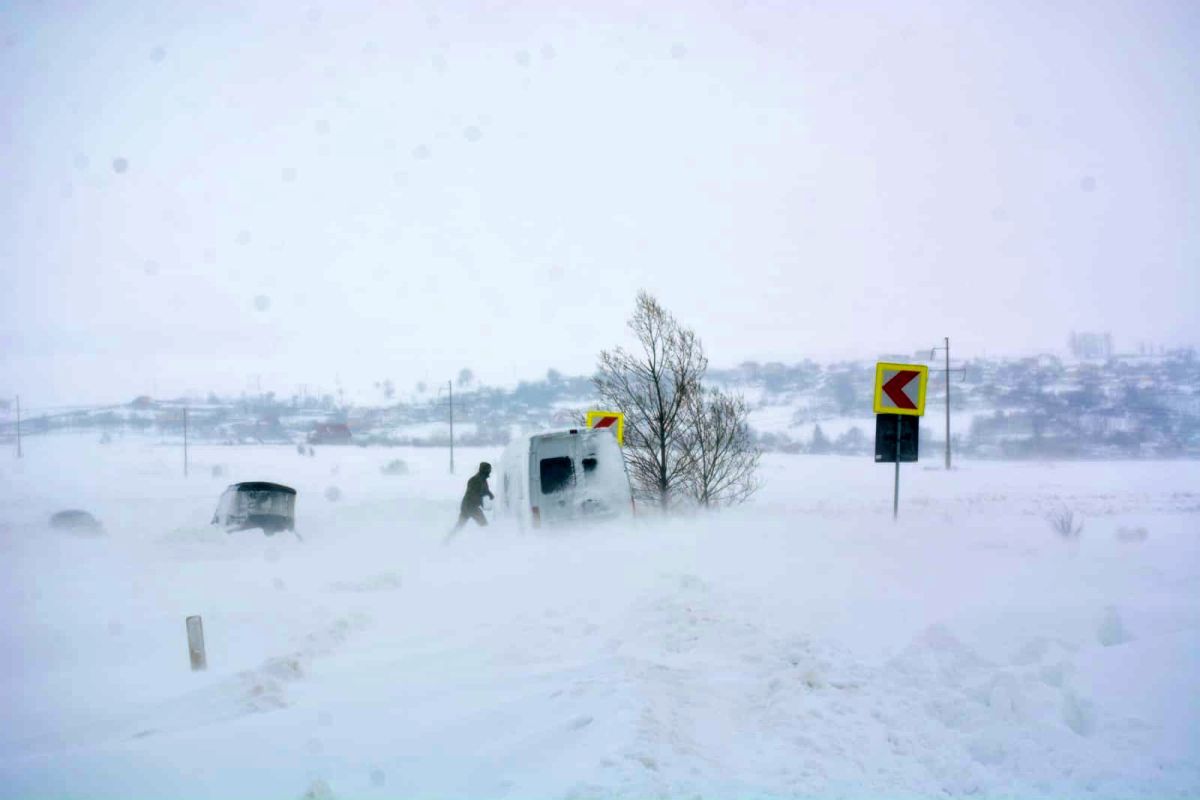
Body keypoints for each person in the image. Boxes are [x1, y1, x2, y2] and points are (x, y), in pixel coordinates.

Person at [454, 462, 494, 531]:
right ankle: (486, 539)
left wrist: (490, 495)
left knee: (460, 526)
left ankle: (448, 540)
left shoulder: (483, 480)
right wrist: (482, 502)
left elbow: (485, 491)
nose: (490, 472)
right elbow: (473, 495)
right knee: (484, 525)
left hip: (471, 506)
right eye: (489, 470)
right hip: (469, 506)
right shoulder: (475, 480)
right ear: (485, 470)